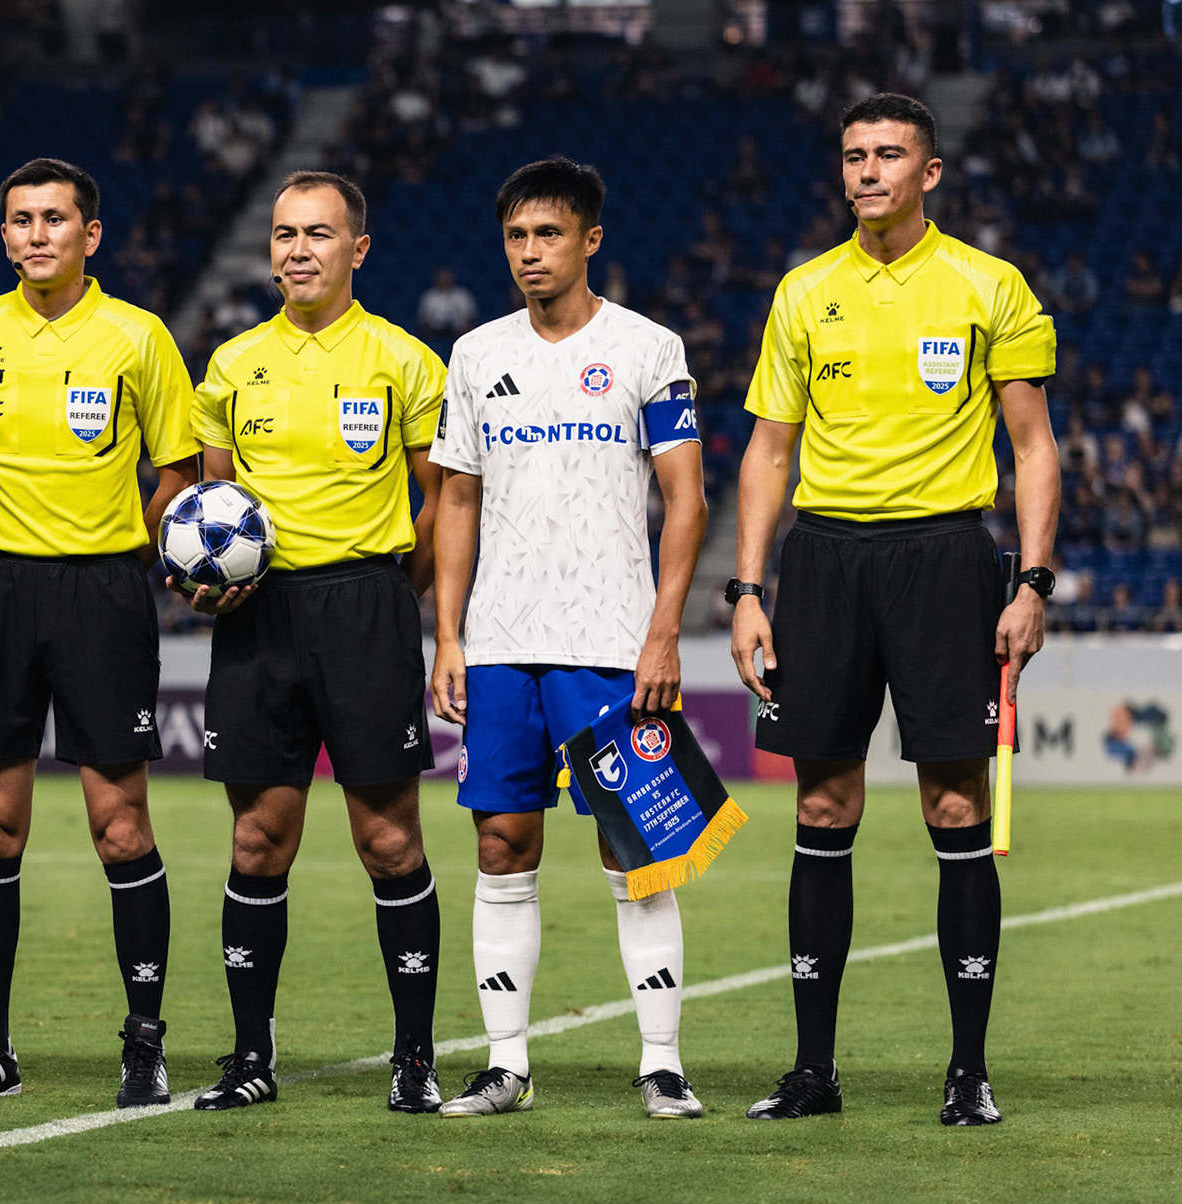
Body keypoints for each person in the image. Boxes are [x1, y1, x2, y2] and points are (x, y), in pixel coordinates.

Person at [732, 94, 1059, 1126]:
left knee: (954, 806)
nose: (867, 170)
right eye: (853, 156)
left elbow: (1035, 447)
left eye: (889, 155)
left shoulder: (987, 285)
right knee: (823, 807)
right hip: (824, 561)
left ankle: (968, 1071)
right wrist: (746, 591)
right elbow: (769, 453)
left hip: (944, 556)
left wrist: (1033, 580)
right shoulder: (803, 291)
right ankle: (813, 1070)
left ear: (931, 173)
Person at [427, 158, 711, 1120]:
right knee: (503, 843)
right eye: (516, 236)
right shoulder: (474, 356)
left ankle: (662, 1063)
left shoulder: (649, 348)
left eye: (548, 235)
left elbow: (686, 499)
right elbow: (455, 499)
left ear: (591, 239)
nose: (529, 254)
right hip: (502, 641)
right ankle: (506, 1063)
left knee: (641, 853)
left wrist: (663, 632)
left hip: (613, 641)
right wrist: (449, 635)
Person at [0, 158, 199, 1107]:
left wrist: (105, 540)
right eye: (21, 221)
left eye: (54, 220)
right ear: (4, 236)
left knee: (120, 827)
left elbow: (176, 471)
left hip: (102, 595)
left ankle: (144, 1043)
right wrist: (7, 534)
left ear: (91, 234)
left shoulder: (139, 336)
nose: (37, 234)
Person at [183, 171, 449, 1113]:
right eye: (285, 233)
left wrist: (398, 599)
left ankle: (413, 1059)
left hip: (365, 604)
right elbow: (210, 508)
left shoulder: (406, 360)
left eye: (319, 234)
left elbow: (444, 502)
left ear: (357, 249)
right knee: (259, 838)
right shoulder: (230, 365)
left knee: (387, 838)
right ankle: (250, 1057)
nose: (299, 250)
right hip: (258, 617)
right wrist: (204, 582)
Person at [417, 267, 479, 343]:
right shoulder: (429, 296)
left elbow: (470, 316)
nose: (445, 281)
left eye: (447, 279)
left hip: (458, 334)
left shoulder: (462, 295)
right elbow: (423, 319)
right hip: (435, 334)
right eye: (442, 279)